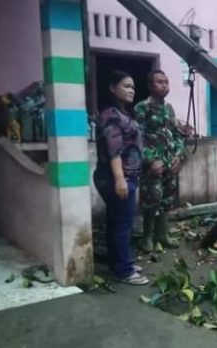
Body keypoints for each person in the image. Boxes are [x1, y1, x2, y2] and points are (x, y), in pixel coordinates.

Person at [93, 70, 149, 285]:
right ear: (112, 88)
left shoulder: (123, 114)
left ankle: (119, 263)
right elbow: (113, 150)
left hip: (125, 176)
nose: (131, 90)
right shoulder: (111, 116)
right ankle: (124, 270)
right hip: (116, 177)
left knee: (116, 222)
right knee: (123, 225)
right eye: (126, 86)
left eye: (133, 87)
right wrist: (120, 179)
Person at [134, 70, 186, 252]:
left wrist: (179, 156)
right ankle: (147, 238)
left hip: (170, 163)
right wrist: (150, 160)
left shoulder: (169, 109)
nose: (164, 85)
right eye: (159, 82)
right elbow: (137, 138)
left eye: (166, 81)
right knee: (151, 200)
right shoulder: (142, 107)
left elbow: (176, 135)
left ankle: (163, 235)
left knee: (167, 199)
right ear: (150, 85)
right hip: (153, 165)